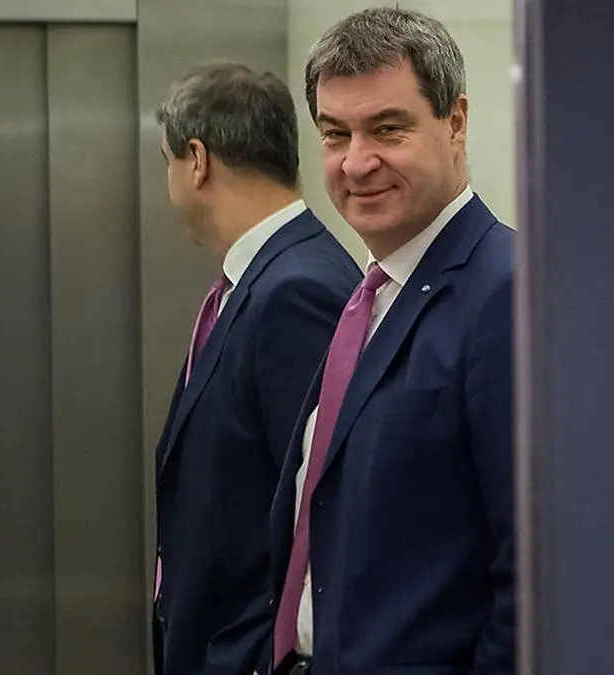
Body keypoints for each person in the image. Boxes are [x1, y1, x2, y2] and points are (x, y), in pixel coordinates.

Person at [268, 8, 516, 675]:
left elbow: (531, 571)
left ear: (455, 122)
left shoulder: (506, 295)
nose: (357, 162)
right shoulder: (372, 297)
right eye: (335, 133)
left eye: (387, 129)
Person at [152, 61, 362, 675]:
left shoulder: (296, 291)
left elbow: (319, 513)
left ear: (197, 161)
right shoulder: (260, 280)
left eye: (167, 162)